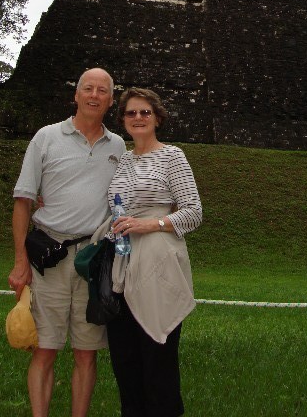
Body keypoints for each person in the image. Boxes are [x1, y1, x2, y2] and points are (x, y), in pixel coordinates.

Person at [8, 67, 126, 417]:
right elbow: (23, 200)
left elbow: (127, 198)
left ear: (110, 100)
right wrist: (19, 261)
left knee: (86, 353)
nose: (94, 95)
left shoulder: (118, 146)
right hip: (49, 257)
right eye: (87, 88)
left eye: (102, 90)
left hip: (93, 259)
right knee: (44, 349)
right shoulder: (46, 137)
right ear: (75, 95)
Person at [106, 87, 202, 417]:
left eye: (145, 112)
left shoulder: (172, 156)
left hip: (158, 261)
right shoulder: (120, 162)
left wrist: (151, 224)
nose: (138, 118)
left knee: (157, 360)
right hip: (121, 262)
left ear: (157, 117)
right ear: (122, 121)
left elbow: (193, 212)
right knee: (126, 362)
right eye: (131, 113)